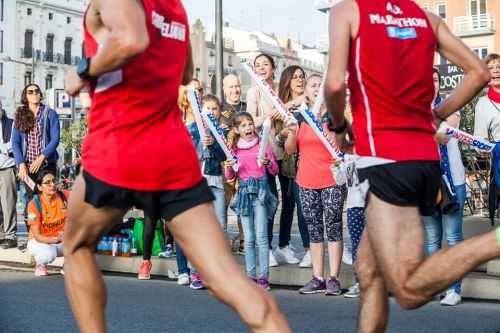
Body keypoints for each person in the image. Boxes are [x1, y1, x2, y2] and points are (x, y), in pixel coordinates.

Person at [64, 2, 290, 331]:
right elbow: (185, 74)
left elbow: (130, 39)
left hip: (118, 147)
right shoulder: (175, 7)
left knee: (76, 246)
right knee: (227, 277)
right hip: (171, 154)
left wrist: (82, 71)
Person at [325, 0, 492, 331]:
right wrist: (437, 115)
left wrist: (340, 127)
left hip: (385, 159)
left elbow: (333, 85)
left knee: (406, 289)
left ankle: (495, 241)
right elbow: (479, 73)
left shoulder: (348, 11)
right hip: (425, 160)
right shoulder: (426, 18)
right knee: (368, 269)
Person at [285, 74, 346, 295]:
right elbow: (291, 150)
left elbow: (344, 145)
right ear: (306, 92)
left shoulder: (334, 116)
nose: (317, 89)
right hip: (306, 180)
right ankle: (317, 277)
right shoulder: (300, 117)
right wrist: (291, 132)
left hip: (331, 179)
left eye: (321, 86)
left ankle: (333, 278)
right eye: (313, 85)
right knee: (314, 230)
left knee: (334, 227)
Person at [422, 68, 466, 306]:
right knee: (431, 239)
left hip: (452, 180)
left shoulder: (450, 107)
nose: (433, 83)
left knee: (453, 237)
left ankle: (454, 289)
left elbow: (445, 134)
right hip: (426, 182)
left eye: (436, 80)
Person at [225, 112, 278, 291]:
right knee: (248, 238)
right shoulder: (234, 149)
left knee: (262, 237)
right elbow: (230, 176)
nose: (248, 128)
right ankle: (250, 276)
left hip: (261, 195)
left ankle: (263, 277)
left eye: (250, 124)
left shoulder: (263, 144)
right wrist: (228, 167)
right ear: (237, 130)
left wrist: (268, 163)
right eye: (243, 126)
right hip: (244, 195)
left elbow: (275, 170)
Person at [274, 65, 310, 267]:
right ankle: (283, 245)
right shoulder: (281, 107)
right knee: (288, 207)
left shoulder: (309, 104)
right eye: (295, 77)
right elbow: (276, 137)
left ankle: (308, 249)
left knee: (304, 207)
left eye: (301, 77)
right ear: (287, 81)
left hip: (305, 162)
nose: (299, 80)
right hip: (285, 164)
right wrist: (282, 135)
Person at [12, 84, 60, 223]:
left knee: (47, 197)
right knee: (29, 198)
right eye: (30, 92)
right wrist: (20, 163)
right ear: (25, 96)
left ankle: (49, 230)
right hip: (27, 167)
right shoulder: (20, 115)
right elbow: (15, 142)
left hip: (45, 164)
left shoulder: (50, 114)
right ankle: (32, 233)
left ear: (40, 94)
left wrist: (42, 157)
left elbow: (55, 139)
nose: (34, 94)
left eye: (36, 91)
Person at [26, 170, 68, 276]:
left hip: (61, 240)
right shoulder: (33, 204)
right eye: (48, 182)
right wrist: (56, 240)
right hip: (40, 242)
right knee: (49, 254)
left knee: (83, 242)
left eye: (54, 181)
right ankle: (40, 264)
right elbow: (37, 236)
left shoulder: (65, 196)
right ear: (40, 187)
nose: (53, 185)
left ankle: (68, 266)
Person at [0, 102, 18, 249]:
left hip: (6, 168)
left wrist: (2, 149)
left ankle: (10, 236)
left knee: (8, 203)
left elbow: (13, 145)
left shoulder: (11, 124)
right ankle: (1, 234)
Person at [474, 53, 500, 142]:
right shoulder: (482, 104)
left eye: (499, 66)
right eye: (490, 68)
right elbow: (480, 138)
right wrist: (483, 149)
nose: (496, 71)